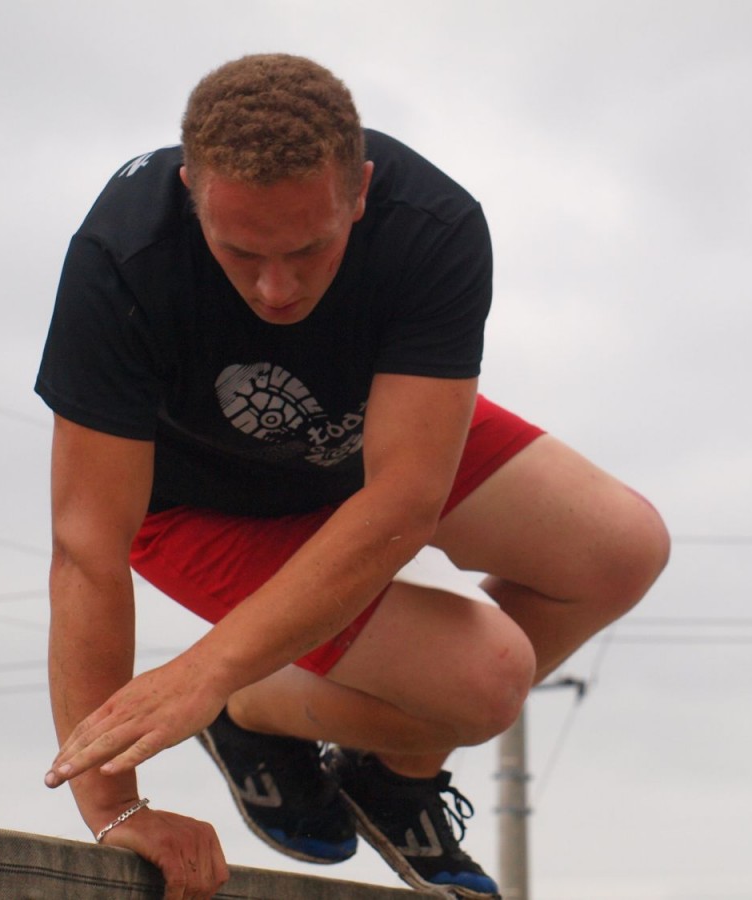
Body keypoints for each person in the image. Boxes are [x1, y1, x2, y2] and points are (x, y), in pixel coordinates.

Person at [37, 53, 668, 900]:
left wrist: (208, 670)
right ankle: (253, 708)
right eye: (240, 252)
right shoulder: (121, 257)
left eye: (310, 249)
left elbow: (403, 501)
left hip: (359, 451)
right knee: (488, 682)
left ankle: (385, 772)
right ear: (192, 193)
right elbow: (86, 550)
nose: (276, 288)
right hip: (197, 506)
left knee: (623, 548)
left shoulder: (432, 225)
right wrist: (114, 809)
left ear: (360, 191)